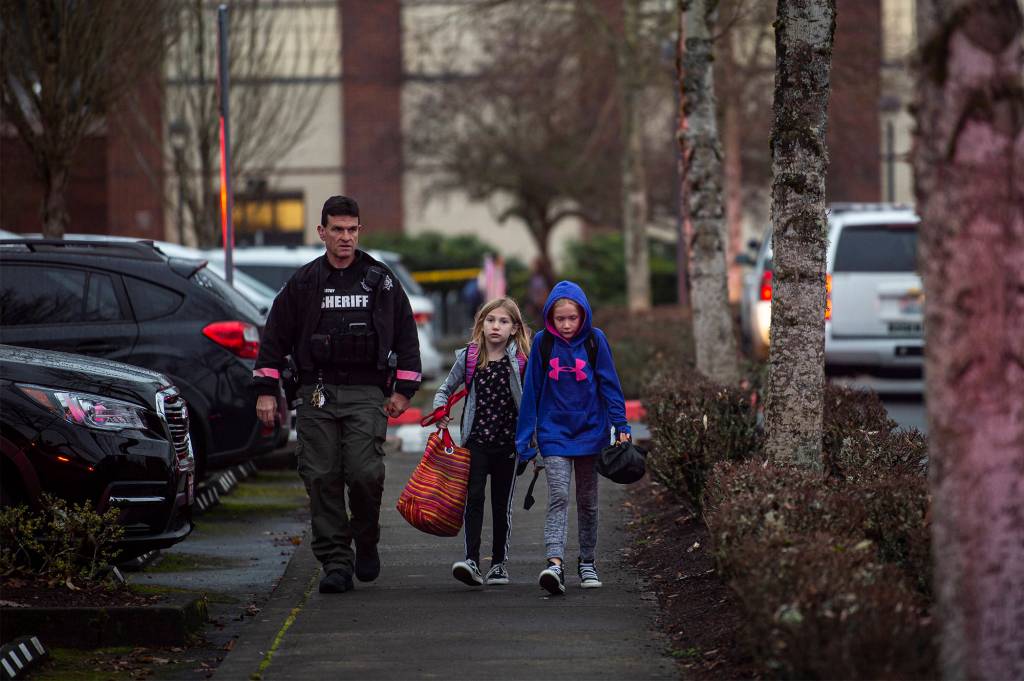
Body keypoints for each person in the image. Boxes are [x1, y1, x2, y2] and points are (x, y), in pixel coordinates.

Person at [253, 195, 421, 594]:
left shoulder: (380, 281)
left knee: (365, 473)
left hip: (366, 392)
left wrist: (405, 390)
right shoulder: (304, 283)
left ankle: (366, 538)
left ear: (359, 230)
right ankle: (335, 562)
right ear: (322, 232)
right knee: (321, 477)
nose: (345, 237)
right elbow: (274, 338)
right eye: (338, 230)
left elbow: (406, 335)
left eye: (352, 230)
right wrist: (265, 391)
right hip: (317, 392)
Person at [515, 280, 631, 596]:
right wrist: (525, 437)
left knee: (588, 502)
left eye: (572, 318)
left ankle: (587, 561)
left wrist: (621, 425)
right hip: (554, 434)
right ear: (549, 318)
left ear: (583, 316)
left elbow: (610, 384)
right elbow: (532, 393)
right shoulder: (542, 343)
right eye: (559, 319)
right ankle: (555, 564)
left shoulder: (596, 341)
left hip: (591, 433)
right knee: (558, 496)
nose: (566, 325)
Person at [432, 297, 532, 587]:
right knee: (473, 500)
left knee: (501, 505)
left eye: (503, 321)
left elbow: (533, 401)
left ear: (514, 328)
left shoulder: (522, 361)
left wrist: (532, 441)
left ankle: (499, 564)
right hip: (475, 442)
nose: (496, 327)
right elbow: (445, 388)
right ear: (481, 324)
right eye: (490, 320)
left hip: (508, 446)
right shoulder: (470, 357)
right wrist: (441, 411)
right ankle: (472, 561)